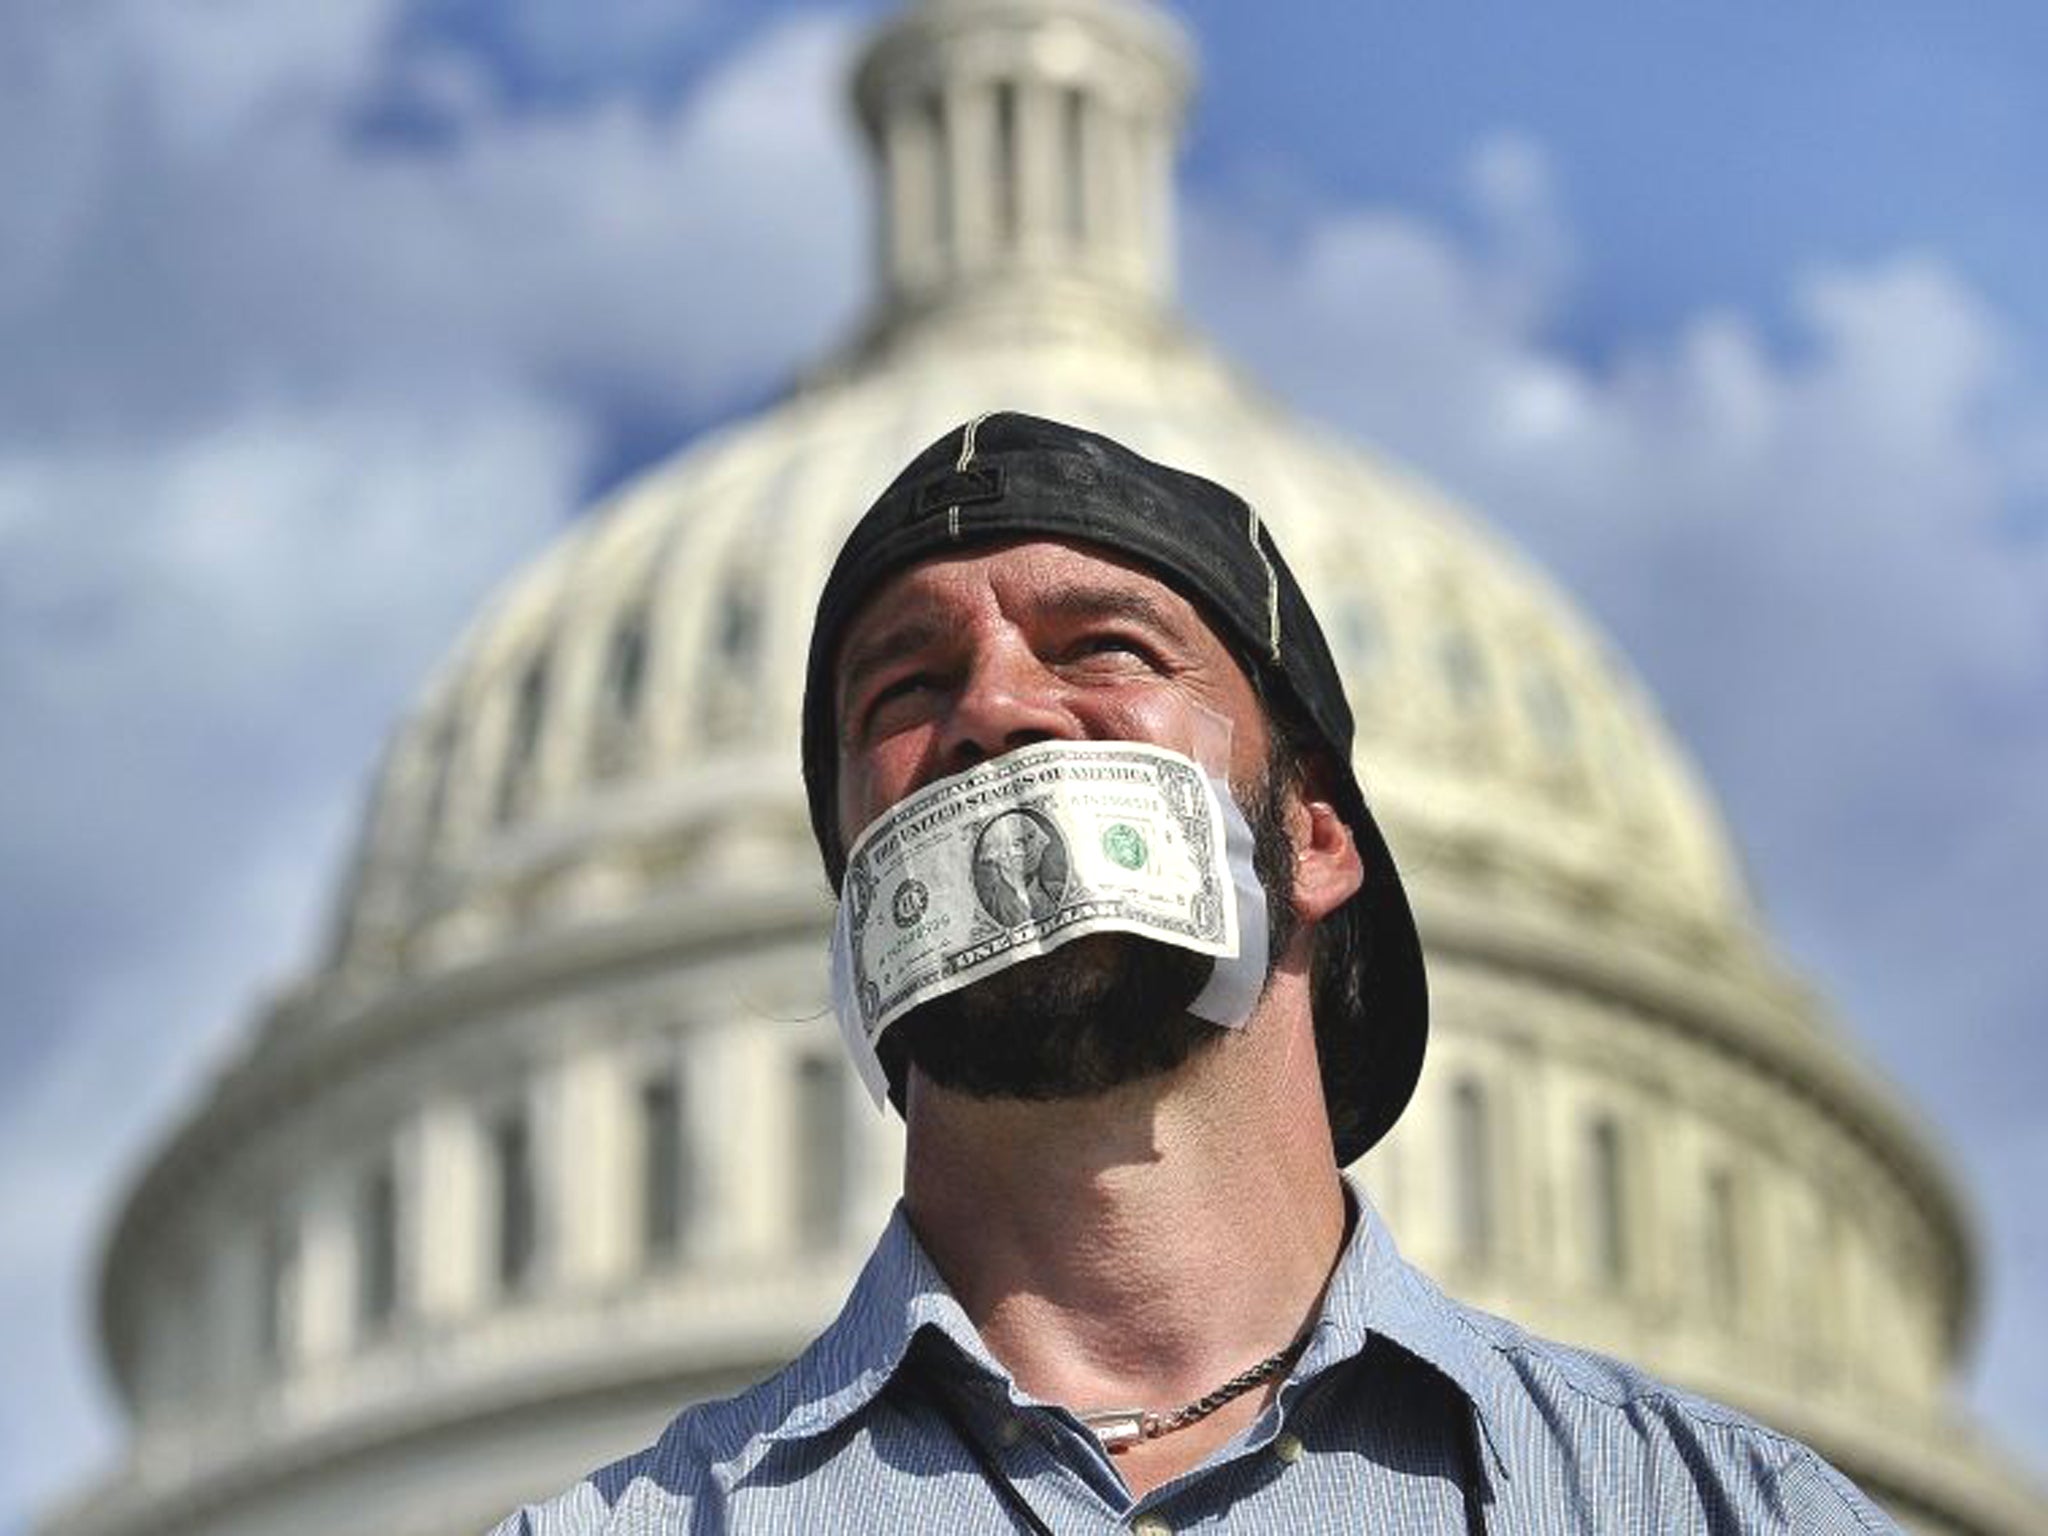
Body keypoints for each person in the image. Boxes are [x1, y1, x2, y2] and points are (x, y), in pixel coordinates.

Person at [491, 413, 1897, 1533]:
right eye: (904, 690)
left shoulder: (1714, 1513)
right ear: (859, 896)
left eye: (1104, 646)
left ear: (1318, 832)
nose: (996, 708)